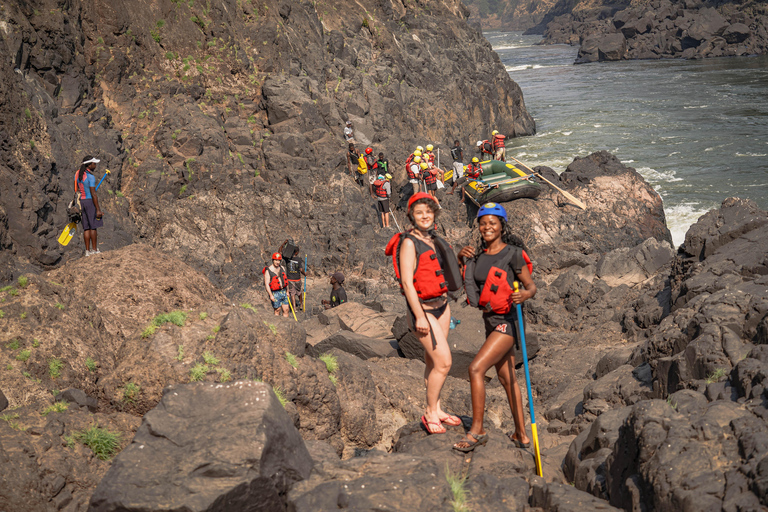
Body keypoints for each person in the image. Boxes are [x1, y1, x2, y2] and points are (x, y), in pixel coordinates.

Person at [453, 203, 537, 452]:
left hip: (508, 323)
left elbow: (531, 286)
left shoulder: (514, 254)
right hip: (489, 323)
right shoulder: (476, 255)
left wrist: (525, 294)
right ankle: (521, 435)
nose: (487, 227)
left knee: (476, 369)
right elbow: (462, 283)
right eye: (483, 223)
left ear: (502, 225)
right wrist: (460, 258)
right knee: (507, 377)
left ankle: (477, 431)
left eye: (493, 222)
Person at [398, 192, 461, 434]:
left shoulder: (434, 239)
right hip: (422, 311)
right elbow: (406, 282)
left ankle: (438, 408)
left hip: (442, 307)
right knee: (444, 362)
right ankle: (429, 413)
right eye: (419, 212)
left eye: (429, 211)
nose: (425, 216)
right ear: (411, 216)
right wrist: (420, 316)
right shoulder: (409, 243)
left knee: (432, 361)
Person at [74, 156, 104, 256]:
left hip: (81, 201)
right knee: (93, 226)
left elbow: (77, 189)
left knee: (86, 227)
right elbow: (93, 194)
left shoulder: (78, 174)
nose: (95, 166)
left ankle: (87, 251)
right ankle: (95, 250)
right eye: (94, 164)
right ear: (89, 164)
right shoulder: (90, 177)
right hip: (90, 201)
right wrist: (98, 210)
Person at [264, 253, 290, 317]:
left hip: (283, 291)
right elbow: (267, 284)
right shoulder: (268, 270)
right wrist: (271, 295)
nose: (277, 262)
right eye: (276, 260)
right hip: (275, 293)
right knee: (277, 310)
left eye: (278, 260)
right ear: (273, 260)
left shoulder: (282, 268)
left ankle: (285, 324)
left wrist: (287, 291)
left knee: (286, 309)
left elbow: (285, 280)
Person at [283, 246, 306, 312]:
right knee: (299, 292)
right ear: (296, 252)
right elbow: (301, 269)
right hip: (297, 279)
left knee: (292, 293)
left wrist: (284, 244)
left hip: (290, 279)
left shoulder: (287, 258)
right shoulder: (298, 259)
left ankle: (294, 308)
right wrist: (305, 274)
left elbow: (281, 251)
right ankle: (301, 304)